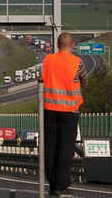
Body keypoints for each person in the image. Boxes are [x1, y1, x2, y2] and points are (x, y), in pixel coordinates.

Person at [42, 32, 88, 197]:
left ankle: (52, 184)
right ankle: (61, 185)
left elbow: (43, 79)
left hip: (49, 109)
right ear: (73, 45)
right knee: (65, 149)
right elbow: (85, 80)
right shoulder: (78, 62)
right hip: (69, 111)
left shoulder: (48, 60)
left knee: (50, 148)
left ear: (57, 44)